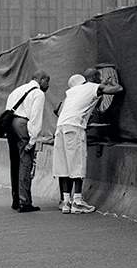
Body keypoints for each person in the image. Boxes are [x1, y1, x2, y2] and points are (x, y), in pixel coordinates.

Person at [45, 68, 125, 214]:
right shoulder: (94, 87)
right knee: (77, 164)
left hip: (60, 128)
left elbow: (60, 110)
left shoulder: (72, 92)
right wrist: (112, 82)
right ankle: (78, 202)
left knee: (63, 166)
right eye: (99, 77)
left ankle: (66, 202)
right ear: (95, 77)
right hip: (74, 128)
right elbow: (118, 89)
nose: (101, 79)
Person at [3, 71, 52, 213]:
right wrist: (32, 139)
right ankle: (25, 202)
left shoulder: (17, 90)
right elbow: (35, 117)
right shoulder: (38, 93)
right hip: (22, 125)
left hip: (10, 125)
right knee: (25, 162)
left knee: (15, 162)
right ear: (41, 80)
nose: (48, 85)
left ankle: (16, 200)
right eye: (47, 81)